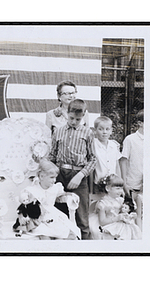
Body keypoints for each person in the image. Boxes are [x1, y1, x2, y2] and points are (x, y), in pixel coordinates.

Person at [49, 99, 97, 239]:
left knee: (81, 216)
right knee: (59, 213)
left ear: (83, 116)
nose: (74, 121)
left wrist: (80, 175)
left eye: (78, 119)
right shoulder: (58, 132)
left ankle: (84, 248)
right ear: (66, 113)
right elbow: (52, 155)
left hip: (78, 176)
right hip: (59, 175)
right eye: (71, 118)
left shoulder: (87, 133)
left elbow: (93, 159)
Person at [21, 159, 81, 239]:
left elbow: (60, 198)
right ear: (41, 176)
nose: (54, 180)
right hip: (38, 217)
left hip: (52, 214)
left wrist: (71, 195)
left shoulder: (55, 188)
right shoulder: (33, 190)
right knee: (44, 234)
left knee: (63, 232)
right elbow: (24, 206)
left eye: (55, 177)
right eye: (51, 177)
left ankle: (59, 246)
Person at [120, 110, 144, 230]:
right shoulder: (130, 139)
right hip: (132, 185)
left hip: (147, 187)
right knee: (132, 218)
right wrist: (124, 183)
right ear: (140, 123)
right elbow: (123, 161)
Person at [91, 116, 123, 195]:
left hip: (113, 184)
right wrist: (91, 190)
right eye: (101, 129)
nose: (104, 132)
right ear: (95, 131)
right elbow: (91, 168)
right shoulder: (93, 145)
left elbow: (117, 166)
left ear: (111, 131)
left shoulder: (114, 145)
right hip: (98, 184)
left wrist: (120, 185)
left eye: (107, 129)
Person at [89, 174, 126, 239]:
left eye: (121, 188)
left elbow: (119, 213)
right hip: (105, 224)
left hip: (116, 223)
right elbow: (102, 222)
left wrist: (124, 214)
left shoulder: (119, 200)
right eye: (117, 188)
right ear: (107, 188)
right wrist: (117, 218)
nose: (120, 191)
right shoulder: (102, 204)